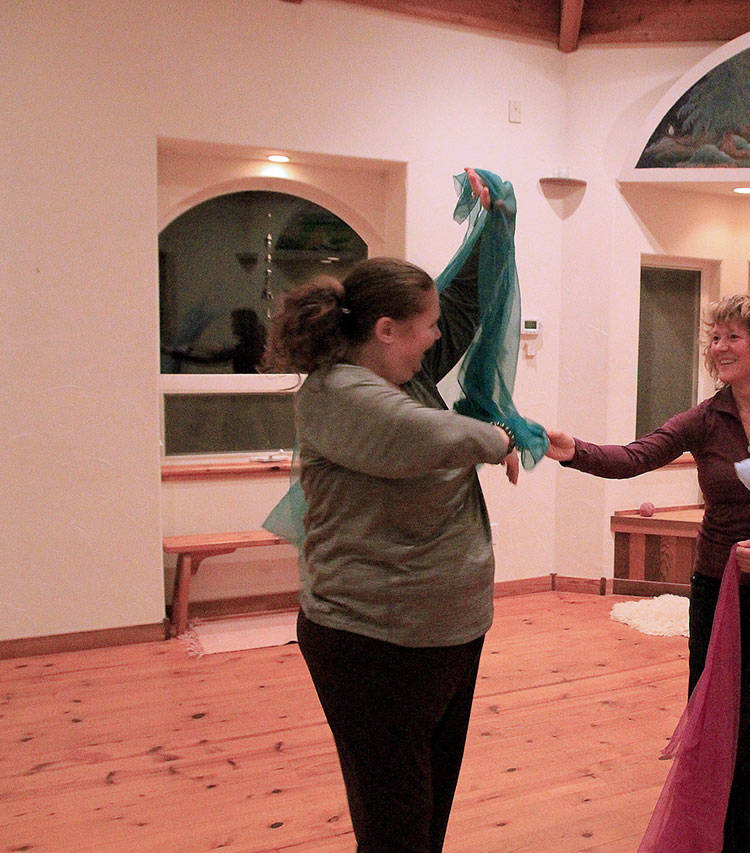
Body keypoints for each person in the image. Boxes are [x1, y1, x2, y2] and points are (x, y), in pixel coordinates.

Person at [261, 171, 520, 853]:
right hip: (373, 644)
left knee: (421, 815)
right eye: (423, 330)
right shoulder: (338, 393)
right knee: (396, 824)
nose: (437, 340)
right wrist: (499, 436)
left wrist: (495, 225)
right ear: (384, 329)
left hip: (445, 634)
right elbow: (424, 439)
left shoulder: (399, 373)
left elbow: (460, 307)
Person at [545, 294, 750, 852]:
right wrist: (573, 451)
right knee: (711, 724)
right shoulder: (706, 420)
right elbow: (633, 457)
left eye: (733, 336)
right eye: (715, 337)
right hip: (715, 591)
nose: (719, 346)